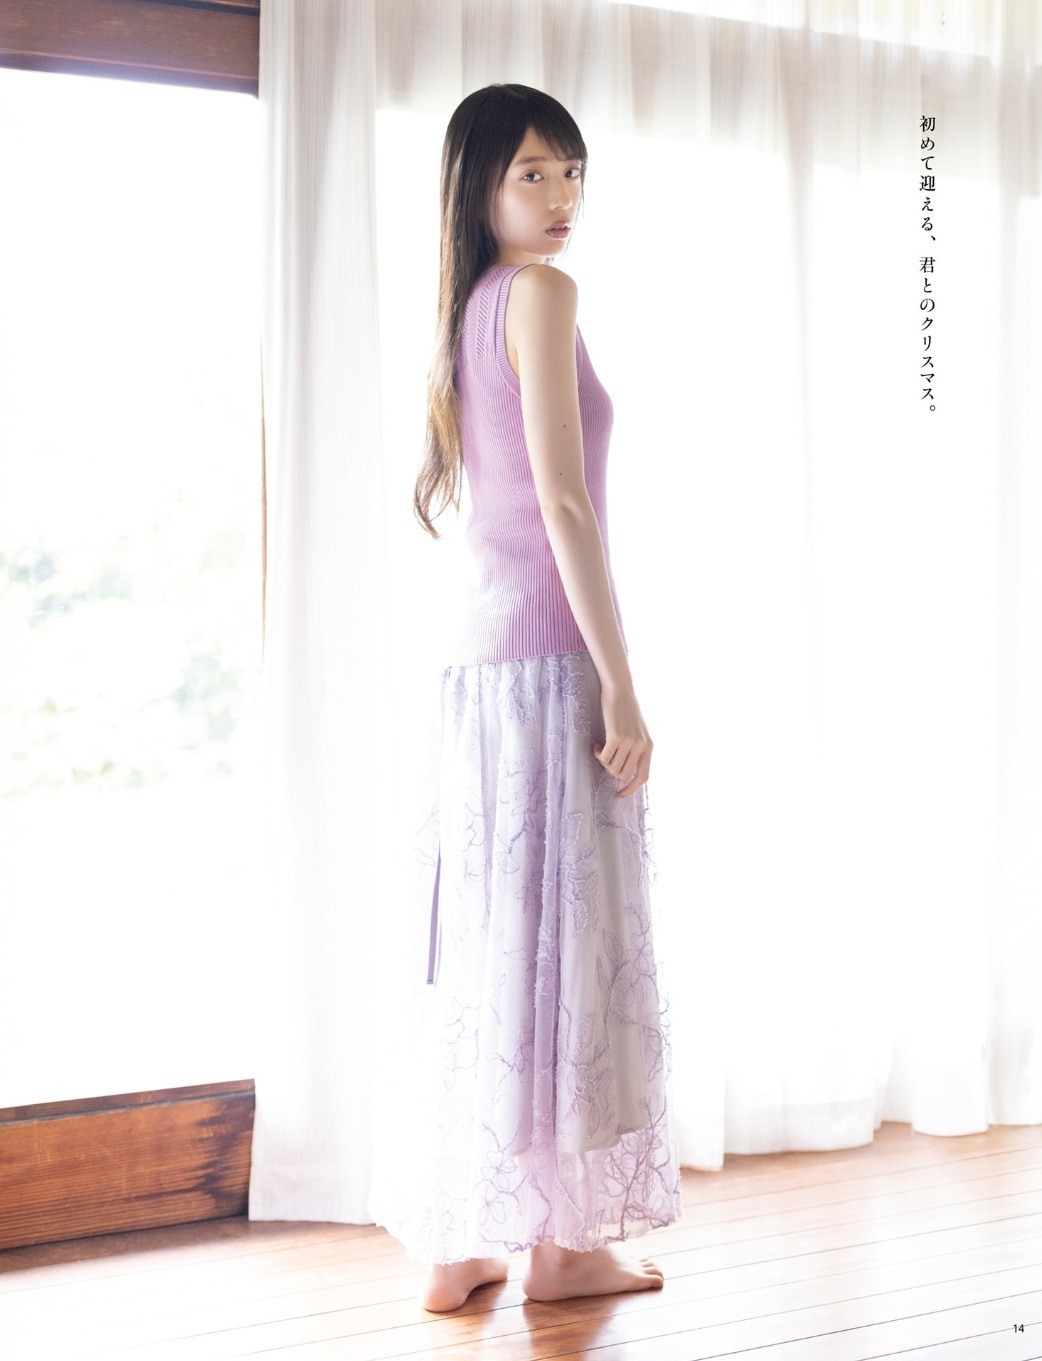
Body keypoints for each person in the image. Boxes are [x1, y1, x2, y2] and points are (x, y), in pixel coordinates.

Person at [368, 83, 681, 1313]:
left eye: (572, 173)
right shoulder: (542, 295)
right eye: (533, 174)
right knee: (570, 950)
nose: (561, 198)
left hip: (481, 669)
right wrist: (623, 683)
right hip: (548, 663)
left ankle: (463, 1244)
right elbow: (563, 502)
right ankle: (557, 1250)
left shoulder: (470, 308)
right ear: (480, 187)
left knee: (503, 949)